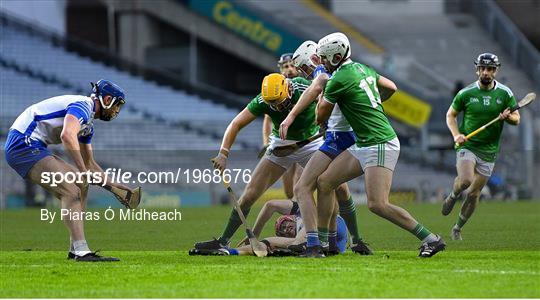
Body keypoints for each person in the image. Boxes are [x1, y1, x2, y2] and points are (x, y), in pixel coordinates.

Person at [314, 32, 445, 258]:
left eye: (325, 59)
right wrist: (370, 102)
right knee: (325, 182)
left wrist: (320, 86)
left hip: (379, 142)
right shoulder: (364, 68)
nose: (323, 64)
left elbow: (319, 117)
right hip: (366, 141)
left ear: (336, 57)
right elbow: (391, 87)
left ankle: (430, 239)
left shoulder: (336, 80)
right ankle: (325, 244)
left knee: (377, 204)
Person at [4, 79, 133, 261]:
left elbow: (90, 165)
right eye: (117, 105)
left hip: (33, 145)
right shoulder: (83, 106)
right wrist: (82, 170)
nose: (117, 111)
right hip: (22, 144)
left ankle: (76, 249)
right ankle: (81, 251)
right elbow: (67, 135)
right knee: (71, 191)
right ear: (107, 99)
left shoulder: (87, 125)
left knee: (81, 184)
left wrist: (116, 188)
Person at [193, 73, 323, 251]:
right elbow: (236, 124)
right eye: (272, 104)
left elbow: (328, 97)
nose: (276, 107)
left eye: (279, 101)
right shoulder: (263, 100)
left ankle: (336, 239)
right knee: (248, 196)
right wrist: (223, 154)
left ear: (288, 89)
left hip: (311, 144)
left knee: (332, 186)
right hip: (281, 146)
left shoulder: (303, 87)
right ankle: (223, 241)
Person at [280, 40, 370, 257]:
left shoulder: (320, 70)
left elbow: (319, 85)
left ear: (313, 59)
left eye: (303, 67)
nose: (303, 72)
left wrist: (290, 117)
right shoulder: (349, 71)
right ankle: (343, 241)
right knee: (332, 186)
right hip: (344, 137)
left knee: (303, 187)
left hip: (339, 139)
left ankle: (314, 244)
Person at [442, 53, 519, 240]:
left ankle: (457, 228)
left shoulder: (505, 93)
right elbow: (450, 115)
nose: (486, 72)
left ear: (496, 71)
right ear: (477, 70)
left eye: (490, 69)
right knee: (466, 181)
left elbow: (516, 120)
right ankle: (453, 194)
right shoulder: (466, 93)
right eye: (483, 68)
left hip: (489, 151)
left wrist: (507, 117)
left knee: (474, 194)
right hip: (468, 145)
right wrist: (456, 135)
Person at [191, 198, 349, 256]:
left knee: (302, 232)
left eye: (285, 224)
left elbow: (270, 205)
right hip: (321, 242)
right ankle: (228, 252)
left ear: (292, 217)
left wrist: (253, 234)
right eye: (284, 231)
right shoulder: (297, 234)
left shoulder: (300, 211)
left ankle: (294, 249)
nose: (286, 228)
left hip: (333, 226)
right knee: (270, 244)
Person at [261, 53, 301, 200]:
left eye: (292, 65)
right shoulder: (275, 89)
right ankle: (297, 210)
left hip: (305, 140)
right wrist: (266, 143)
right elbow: (267, 119)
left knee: (300, 184)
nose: (289, 69)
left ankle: (300, 218)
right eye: (286, 66)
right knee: (289, 191)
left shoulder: (303, 85)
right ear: (280, 69)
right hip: (284, 143)